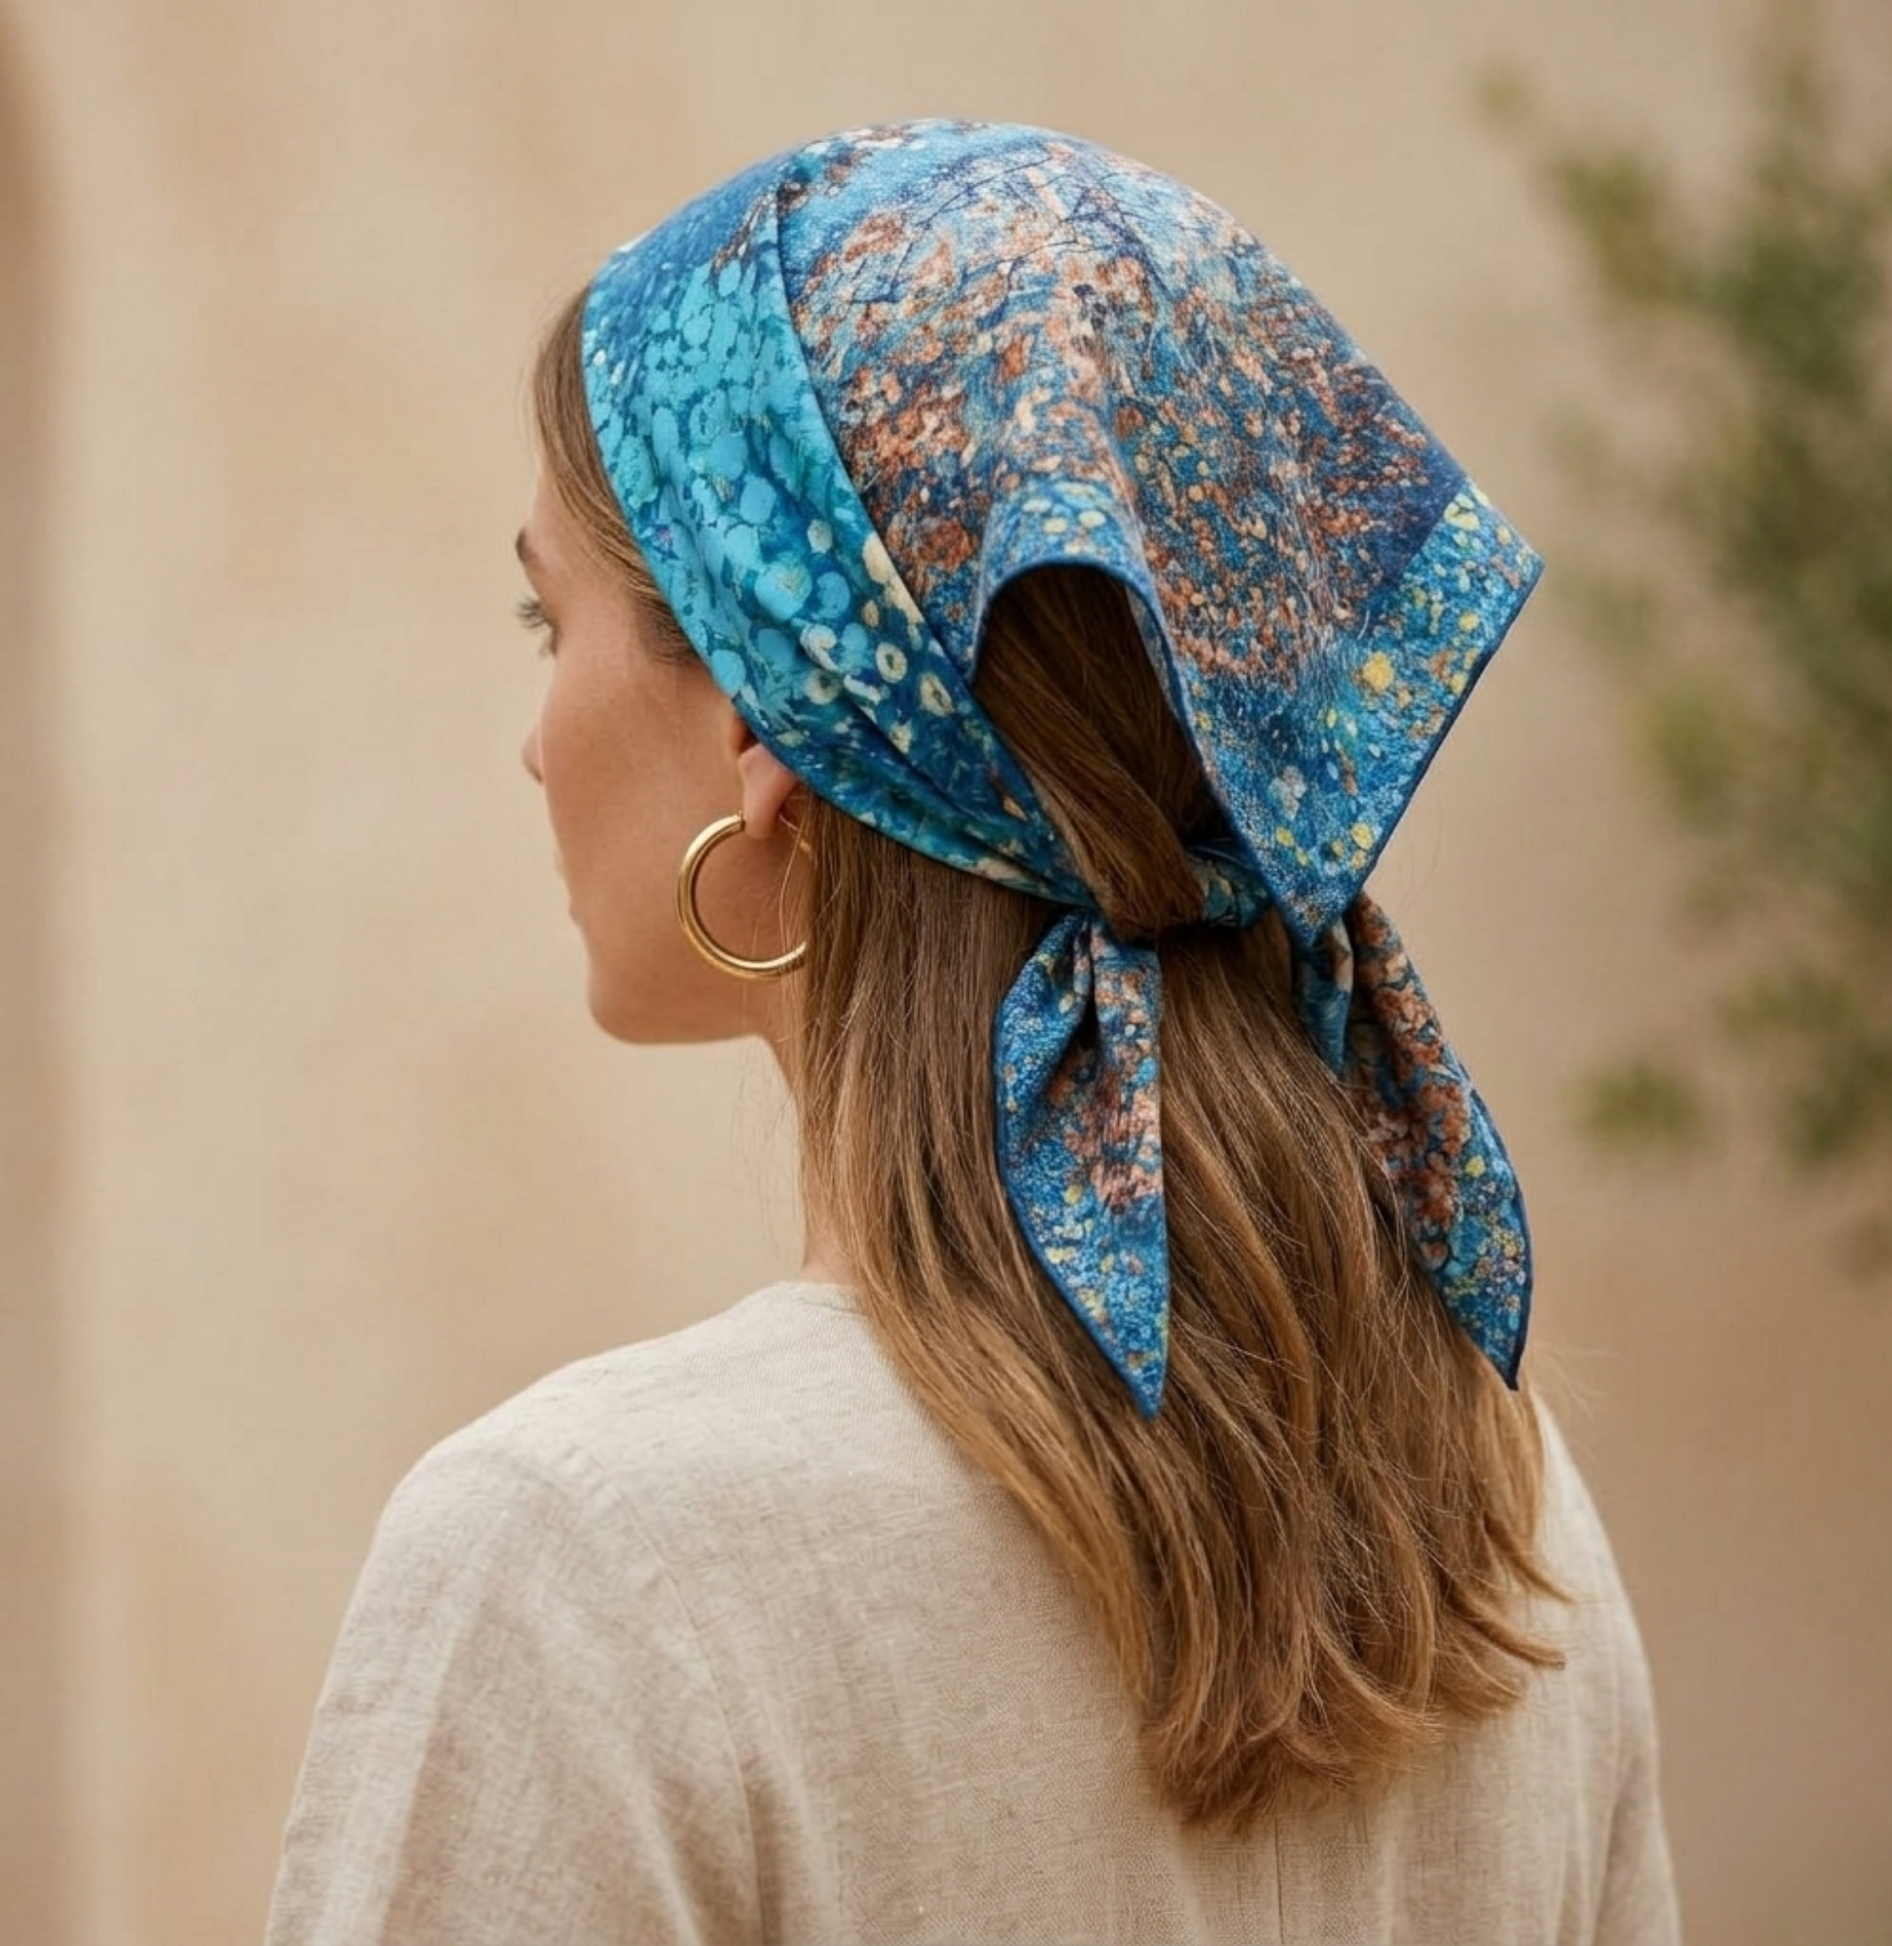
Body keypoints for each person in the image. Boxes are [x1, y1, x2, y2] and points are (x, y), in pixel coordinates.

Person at [264, 120, 1678, 1944]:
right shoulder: (1500, 1522)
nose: (535, 743)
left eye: (553, 617)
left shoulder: (580, 1560)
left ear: (767, 712)